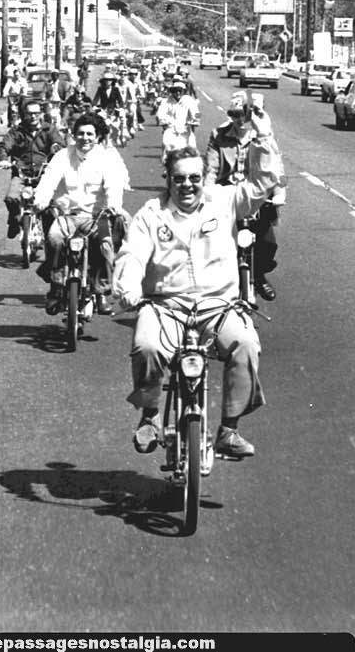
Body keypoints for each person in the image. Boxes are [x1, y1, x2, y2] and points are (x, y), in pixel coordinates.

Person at [112, 120, 282, 459]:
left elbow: (264, 182)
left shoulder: (224, 200)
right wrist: (128, 288)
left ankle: (229, 430)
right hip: (166, 305)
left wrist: (263, 137)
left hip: (217, 305)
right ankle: (149, 416)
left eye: (194, 178)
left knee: (246, 343)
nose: (187, 185)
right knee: (145, 345)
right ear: (168, 179)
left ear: (203, 178)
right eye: (179, 178)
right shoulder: (151, 214)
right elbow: (132, 254)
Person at [32, 108, 127, 315]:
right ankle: (56, 287)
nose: (85, 138)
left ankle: (101, 292)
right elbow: (48, 180)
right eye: (81, 134)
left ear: (98, 136)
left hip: (96, 216)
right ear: (74, 135)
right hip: (67, 216)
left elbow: (114, 184)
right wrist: (41, 200)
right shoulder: (62, 156)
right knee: (54, 238)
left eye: (90, 134)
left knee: (105, 245)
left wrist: (113, 204)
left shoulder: (107, 158)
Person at [204, 91, 285, 301]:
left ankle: (258, 276)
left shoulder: (263, 134)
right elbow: (211, 169)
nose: (241, 120)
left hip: (255, 196)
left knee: (267, 242)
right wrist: (207, 192)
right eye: (236, 114)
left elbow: (276, 167)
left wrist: (278, 192)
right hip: (227, 195)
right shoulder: (219, 135)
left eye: (246, 115)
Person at [0, 99, 64, 238]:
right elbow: (4, 145)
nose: (33, 116)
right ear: (24, 115)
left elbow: (60, 144)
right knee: (11, 198)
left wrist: (56, 147)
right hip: (22, 173)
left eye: (36, 113)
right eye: (29, 113)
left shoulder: (49, 129)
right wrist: (3, 159)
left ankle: (51, 243)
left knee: (50, 206)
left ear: (41, 114)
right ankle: (14, 222)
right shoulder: (17, 131)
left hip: (44, 173)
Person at [155, 74, 200, 161]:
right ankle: (166, 166)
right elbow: (160, 113)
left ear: (183, 91)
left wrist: (196, 120)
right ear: (172, 91)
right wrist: (163, 121)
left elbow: (197, 113)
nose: (178, 93)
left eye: (180, 90)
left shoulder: (189, 100)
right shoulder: (166, 101)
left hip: (186, 129)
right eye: (175, 91)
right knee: (166, 144)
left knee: (192, 148)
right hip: (171, 129)